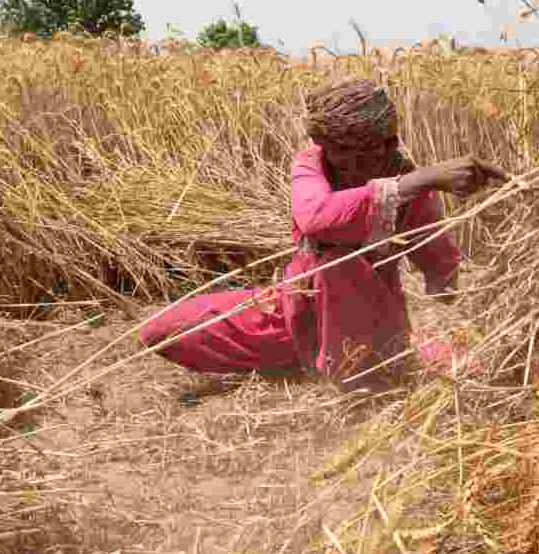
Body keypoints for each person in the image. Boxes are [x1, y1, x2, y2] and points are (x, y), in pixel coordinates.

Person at [140, 78, 509, 392]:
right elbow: (319, 218)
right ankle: (307, 360)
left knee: (338, 263)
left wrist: (447, 293)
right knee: (163, 330)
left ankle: (356, 370)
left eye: (377, 145)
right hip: (296, 314)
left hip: (370, 331)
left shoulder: (405, 180)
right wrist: (425, 178)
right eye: (348, 149)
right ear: (322, 143)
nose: (366, 157)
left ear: (390, 142)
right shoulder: (311, 164)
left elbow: (433, 250)